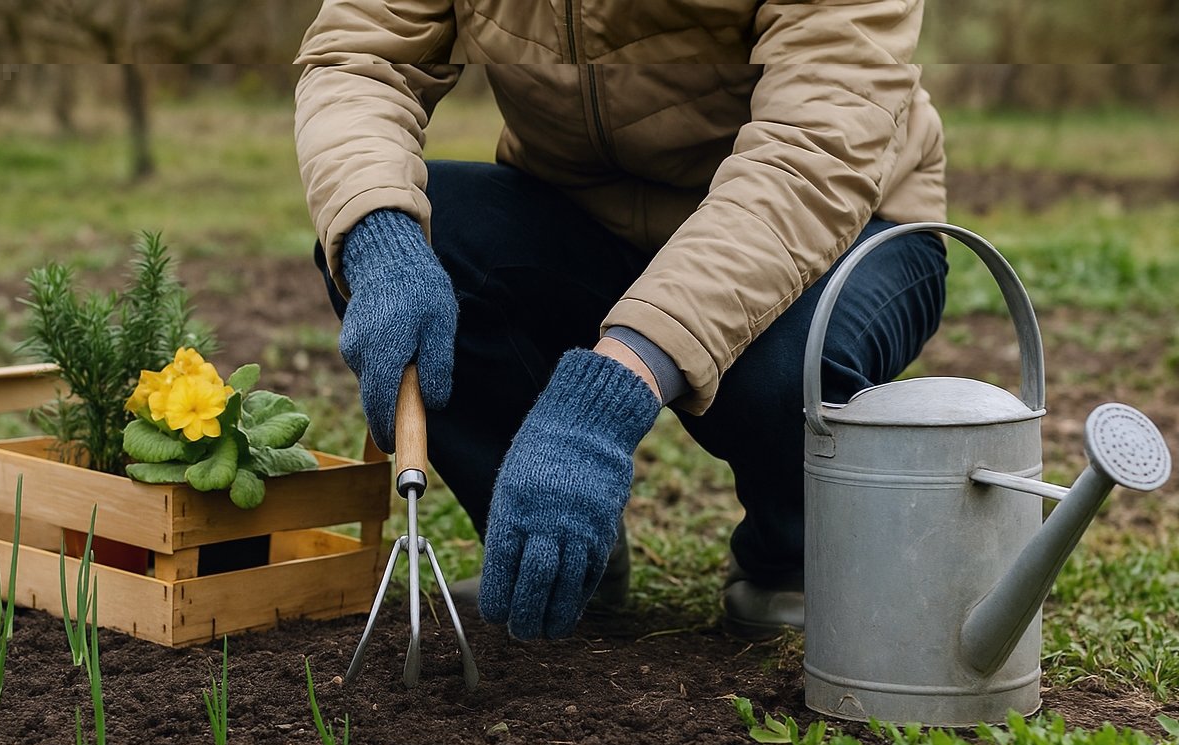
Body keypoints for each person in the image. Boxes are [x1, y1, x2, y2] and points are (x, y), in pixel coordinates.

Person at [295, 3, 948, 642]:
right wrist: (382, 239)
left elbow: (814, 153)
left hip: (832, 224)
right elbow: (362, 56)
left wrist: (602, 403)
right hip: (583, 210)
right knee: (389, 234)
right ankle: (556, 556)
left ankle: (791, 555)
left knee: (783, 366)